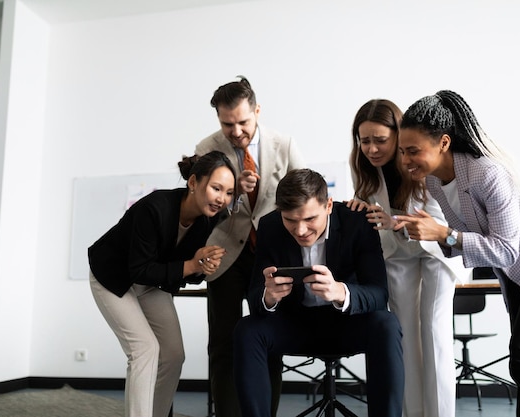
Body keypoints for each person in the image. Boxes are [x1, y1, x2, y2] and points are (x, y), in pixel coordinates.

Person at [393, 90, 520, 417]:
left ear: (443, 143)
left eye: (413, 151)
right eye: (402, 152)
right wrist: (430, 231)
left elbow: (505, 248)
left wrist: (444, 234)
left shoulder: (488, 174)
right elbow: (466, 238)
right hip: (519, 273)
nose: (405, 160)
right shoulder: (437, 181)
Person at [233, 168, 405, 417]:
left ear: (329, 206)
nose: (300, 230)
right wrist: (268, 297)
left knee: (386, 324)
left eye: (309, 219)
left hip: (347, 324)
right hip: (295, 325)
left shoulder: (357, 223)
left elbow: (379, 294)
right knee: (247, 330)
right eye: (290, 220)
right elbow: (255, 295)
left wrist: (340, 292)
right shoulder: (269, 226)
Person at [87, 151, 237, 417]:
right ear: (193, 183)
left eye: (228, 193)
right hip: (112, 276)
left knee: (173, 354)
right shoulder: (154, 207)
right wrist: (192, 264)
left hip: (149, 281)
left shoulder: (207, 219)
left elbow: (183, 268)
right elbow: (141, 268)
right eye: (216, 188)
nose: (221, 199)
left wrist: (202, 267)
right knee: (145, 349)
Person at [346, 99, 470, 417]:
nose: (372, 149)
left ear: (398, 136)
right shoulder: (363, 168)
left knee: (433, 330)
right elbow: (374, 218)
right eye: (365, 141)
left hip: (436, 252)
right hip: (398, 255)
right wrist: (360, 210)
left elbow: (436, 225)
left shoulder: (419, 162)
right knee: (404, 335)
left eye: (380, 140)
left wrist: (393, 221)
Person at [194, 76, 305, 417]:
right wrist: (234, 194)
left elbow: (304, 197)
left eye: (243, 121)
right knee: (224, 343)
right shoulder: (206, 149)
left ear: (257, 110)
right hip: (225, 255)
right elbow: (202, 208)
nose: (236, 131)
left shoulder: (284, 144)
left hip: (271, 255)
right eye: (227, 124)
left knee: (269, 338)